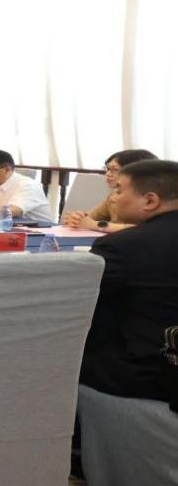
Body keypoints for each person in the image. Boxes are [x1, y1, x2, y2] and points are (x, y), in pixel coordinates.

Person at [80, 160, 178, 402]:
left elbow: (79, 302)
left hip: (151, 371)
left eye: (119, 190)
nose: (113, 198)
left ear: (150, 201)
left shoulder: (123, 246)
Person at [64, 149, 158, 234]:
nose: (108, 174)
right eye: (108, 169)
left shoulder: (148, 199)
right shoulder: (113, 195)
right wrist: (77, 218)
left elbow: (141, 229)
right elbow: (90, 217)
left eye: (115, 169)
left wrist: (94, 225)